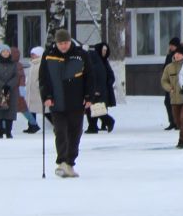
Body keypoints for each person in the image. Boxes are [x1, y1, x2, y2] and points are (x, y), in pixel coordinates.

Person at [39, 30, 94, 177]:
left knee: (75, 133)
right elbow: (43, 79)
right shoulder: (49, 55)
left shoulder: (81, 55)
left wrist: (89, 97)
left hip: (76, 102)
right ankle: (62, 162)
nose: (63, 46)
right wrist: (46, 96)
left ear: (70, 42)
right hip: (56, 102)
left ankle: (70, 162)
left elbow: (90, 77)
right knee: (61, 131)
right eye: (60, 43)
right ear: (56, 43)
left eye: (66, 43)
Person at [84, 42, 120, 134]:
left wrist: (98, 88)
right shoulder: (97, 59)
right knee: (94, 107)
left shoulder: (98, 61)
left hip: (99, 89)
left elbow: (100, 76)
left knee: (94, 108)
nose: (105, 52)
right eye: (103, 50)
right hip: (100, 88)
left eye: (106, 50)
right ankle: (94, 126)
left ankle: (106, 122)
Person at [0, 46, 21, 140]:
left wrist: (9, 85)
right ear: (0, 53)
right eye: (4, 51)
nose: (6, 53)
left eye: (7, 51)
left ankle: (8, 132)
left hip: (10, 90)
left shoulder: (14, 64)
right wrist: (2, 84)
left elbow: (16, 76)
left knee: (9, 112)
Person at [161, 46, 183, 148]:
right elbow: (164, 81)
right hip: (174, 98)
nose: (177, 55)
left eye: (180, 54)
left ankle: (182, 140)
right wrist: (169, 88)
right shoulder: (169, 67)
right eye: (176, 53)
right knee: (177, 121)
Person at [21, 47, 44, 135]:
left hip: (38, 90)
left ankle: (55, 124)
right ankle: (32, 125)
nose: (32, 56)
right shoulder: (33, 64)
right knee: (31, 108)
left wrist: (39, 85)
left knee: (45, 110)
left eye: (34, 54)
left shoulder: (41, 64)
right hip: (32, 91)